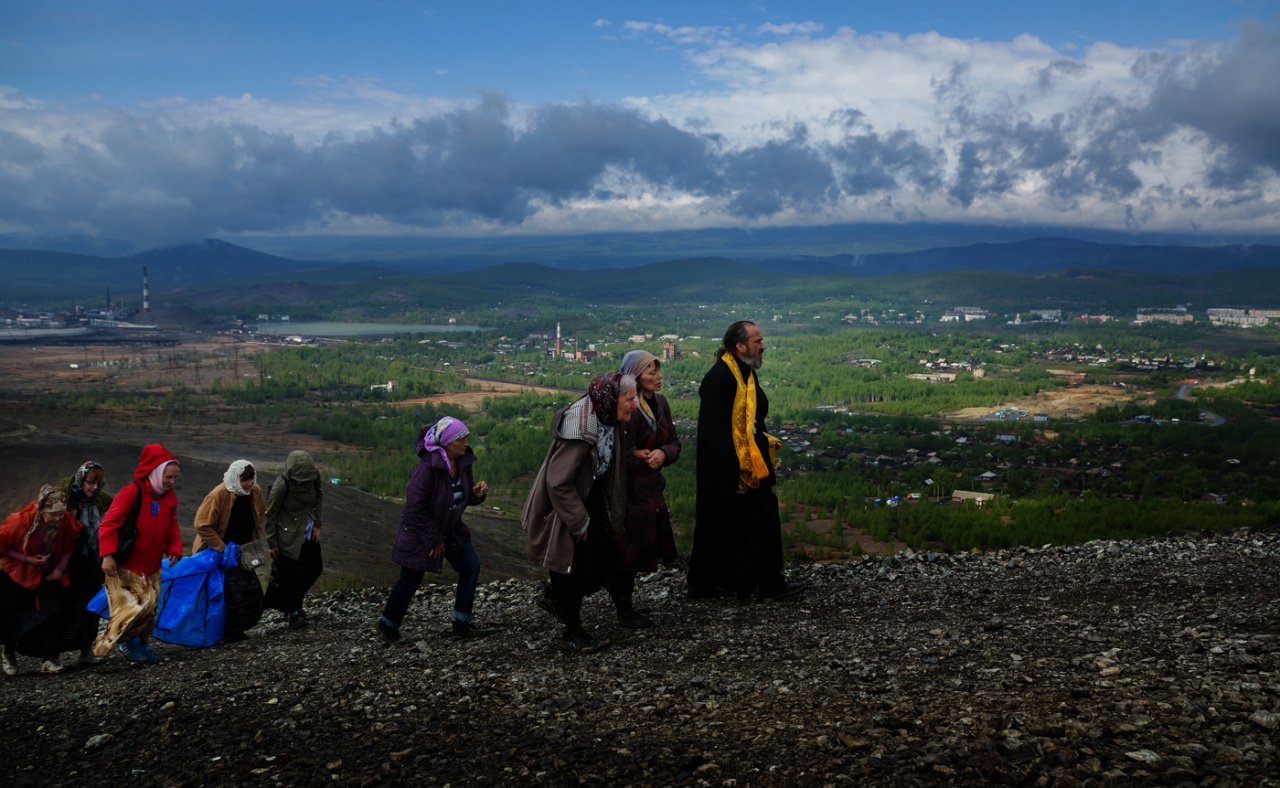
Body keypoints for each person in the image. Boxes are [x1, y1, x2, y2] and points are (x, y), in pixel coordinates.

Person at [687, 321, 805, 601]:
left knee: (754, 521)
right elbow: (713, 433)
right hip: (729, 470)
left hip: (749, 462)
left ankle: (757, 582)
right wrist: (728, 473)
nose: (762, 346)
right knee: (737, 524)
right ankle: (748, 584)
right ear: (739, 346)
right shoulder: (720, 378)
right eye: (757, 341)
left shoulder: (745, 374)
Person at [523, 372, 638, 653]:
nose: (635, 404)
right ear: (612, 399)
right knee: (572, 565)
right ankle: (572, 632)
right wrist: (579, 522)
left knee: (605, 557)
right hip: (570, 503)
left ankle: (555, 596)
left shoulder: (608, 415)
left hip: (590, 495)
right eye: (630, 398)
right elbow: (558, 481)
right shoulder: (582, 427)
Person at [377, 416, 496, 643]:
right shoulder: (426, 468)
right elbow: (414, 509)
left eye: (466, 439)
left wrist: (475, 495)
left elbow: (457, 498)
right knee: (410, 579)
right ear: (446, 441)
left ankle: (462, 623)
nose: (465, 444)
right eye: (460, 440)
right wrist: (433, 540)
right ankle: (387, 624)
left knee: (471, 567)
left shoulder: (462, 463)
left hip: (450, 531)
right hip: (421, 534)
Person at [609, 350, 680, 628]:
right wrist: (643, 460)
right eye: (652, 371)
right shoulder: (629, 409)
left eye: (658, 370)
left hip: (651, 493)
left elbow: (674, 440)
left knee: (638, 551)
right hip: (630, 495)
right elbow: (620, 457)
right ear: (636, 376)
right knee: (627, 553)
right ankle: (624, 608)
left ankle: (625, 604)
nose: (659, 376)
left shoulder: (660, 403)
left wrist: (663, 453)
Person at [95, 444, 183, 663]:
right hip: (128, 564)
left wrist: (174, 547)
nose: (172, 482)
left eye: (174, 478)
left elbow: (171, 523)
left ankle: (142, 645)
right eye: (168, 477)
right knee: (135, 605)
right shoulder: (132, 492)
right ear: (155, 472)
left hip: (152, 564)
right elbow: (109, 524)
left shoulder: (168, 497)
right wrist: (107, 555)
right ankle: (122, 644)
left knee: (151, 607)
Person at [0, 486, 82, 675]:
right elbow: (2, 546)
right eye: (53, 515)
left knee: (52, 612)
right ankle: (9, 653)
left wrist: (60, 568)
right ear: (41, 511)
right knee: (14, 613)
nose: (58, 519)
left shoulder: (65, 521)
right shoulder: (18, 523)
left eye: (61, 514)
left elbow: (70, 543)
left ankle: (50, 658)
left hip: (49, 573)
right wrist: (26, 559)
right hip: (19, 574)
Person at [264, 450, 324, 629]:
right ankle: (293, 613)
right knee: (291, 575)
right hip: (288, 535)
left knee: (315, 568)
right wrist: (272, 543)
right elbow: (271, 514)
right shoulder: (282, 484)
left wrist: (317, 524)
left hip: (308, 531)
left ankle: (294, 603)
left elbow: (319, 497)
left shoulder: (314, 477)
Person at [61, 461, 113, 666]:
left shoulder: (102, 500)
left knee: (90, 606)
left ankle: (86, 652)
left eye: (99, 484)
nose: (94, 488)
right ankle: (53, 653)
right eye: (91, 483)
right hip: (67, 560)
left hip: (93, 560)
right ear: (81, 479)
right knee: (64, 605)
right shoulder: (65, 497)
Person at [192, 460, 266, 554]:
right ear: (235, 478)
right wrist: (223, 549)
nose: (250, 483)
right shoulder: (218, 495)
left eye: (252, 478)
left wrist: (256, 539)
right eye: (244, 480)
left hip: (244, 550)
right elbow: (201, 525)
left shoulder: (255, 491)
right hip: (217, 552)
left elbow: (261, 516)